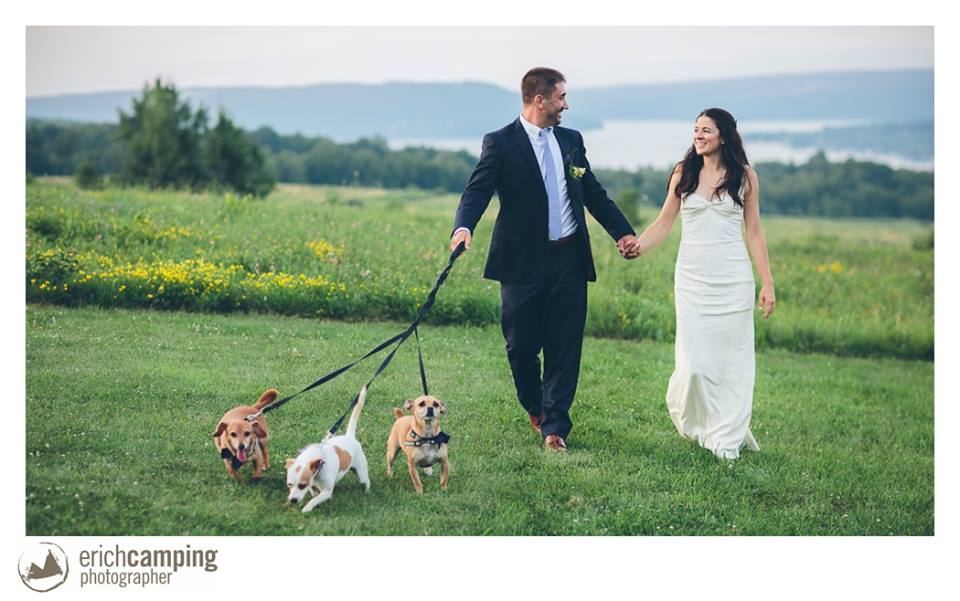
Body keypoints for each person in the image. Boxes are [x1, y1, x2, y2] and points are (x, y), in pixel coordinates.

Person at [449, 67, 639, 452]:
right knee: (520, 346)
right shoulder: (500, 142)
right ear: (540, 100)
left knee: (564, 345)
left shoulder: (571, 140)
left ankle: (555, 426)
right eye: (561, 98)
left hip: (569, 257)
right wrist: (463, 227)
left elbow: (592, 192)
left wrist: (622, 232)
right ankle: (535, 406)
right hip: (521, 262)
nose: (566, 105)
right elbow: (477, 190)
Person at [627, 108, 775, 460]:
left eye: (706, 130)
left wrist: (767, 283)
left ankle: (726, 435)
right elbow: (664, 222)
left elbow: (754, 232)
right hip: (692, 280)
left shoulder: (746, 177)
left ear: (723, 136)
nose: (698, 135)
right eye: (696, 129)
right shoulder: (684, 172)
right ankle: (698, 422)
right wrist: (638, 246)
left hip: (733, 281)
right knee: (694, 365)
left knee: (731, 363)